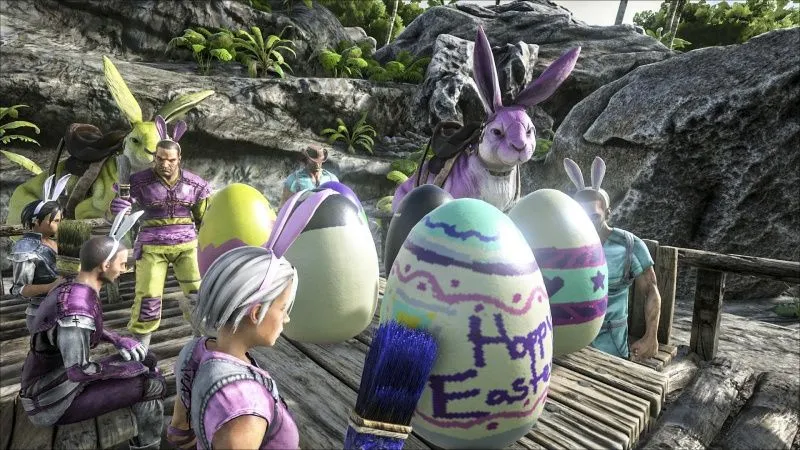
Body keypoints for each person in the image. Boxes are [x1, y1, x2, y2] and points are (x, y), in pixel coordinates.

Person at [19, 209, 165, 450]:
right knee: (153, 384)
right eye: (122, 264)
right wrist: (123, 370)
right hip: (51, 398)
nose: (124, 270)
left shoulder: (73, 287)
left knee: (146, 359)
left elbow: (83, 328)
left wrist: (118, 339)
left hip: (60, 380)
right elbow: (78, 370)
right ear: (105, 265)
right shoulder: (76, 310)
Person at [166, 246, 300, 450]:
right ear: (256, 313)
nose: (287, 318)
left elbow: (179, 428)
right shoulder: (245, 408)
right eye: (282, 308)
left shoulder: (192, 351)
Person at [110, 116, 212, 352]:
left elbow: (204, 219)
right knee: (148, 299)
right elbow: (117, 215)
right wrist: (117, 208)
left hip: (187, 246)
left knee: (197, 296)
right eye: (160, 159)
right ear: (154, 157)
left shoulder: (195, 184)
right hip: (152, 247)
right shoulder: (137, 183)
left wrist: (209, 242)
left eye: (171, 160)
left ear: (179, 159)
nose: (165, 164)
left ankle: (205, 343)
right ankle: (139, 350)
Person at [564, 156, 661, 361]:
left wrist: (651, 337)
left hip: (610, 344)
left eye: (594, 216)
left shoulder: (628, 245)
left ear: (608, 213)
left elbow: (651, 291)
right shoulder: (566, 245)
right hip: (571, 342)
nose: (587, 222)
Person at [9, 174, 71, 333]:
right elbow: (20, 289)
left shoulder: (55, 242)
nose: (60, 224)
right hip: (41, 312)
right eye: (56, 221)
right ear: (36, 221)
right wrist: (51, 286)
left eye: (60, 220)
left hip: (67, 308)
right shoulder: (26, 248)